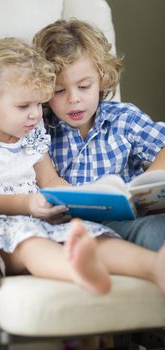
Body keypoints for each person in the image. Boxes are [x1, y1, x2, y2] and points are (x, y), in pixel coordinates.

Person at [0, 37, 165, 296]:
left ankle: (153, 265)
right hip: (2, 228)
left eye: (40, 104)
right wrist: (27, 204)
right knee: (32, 243)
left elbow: (49, 180)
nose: (37, 114)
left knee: (93, 235)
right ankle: (80, 272)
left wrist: (75, 199)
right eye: (24, 106)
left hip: (43, 219)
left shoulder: (32, 133)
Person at [33, 19, 165, 251]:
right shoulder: (40, 129)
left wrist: (145, 185)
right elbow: (48, 181)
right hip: (76, 229)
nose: (74, 98)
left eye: (84, 86)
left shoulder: (124, 118)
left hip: (130, 222)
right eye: (59, 91)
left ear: (101, 79)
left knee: (155, 229)